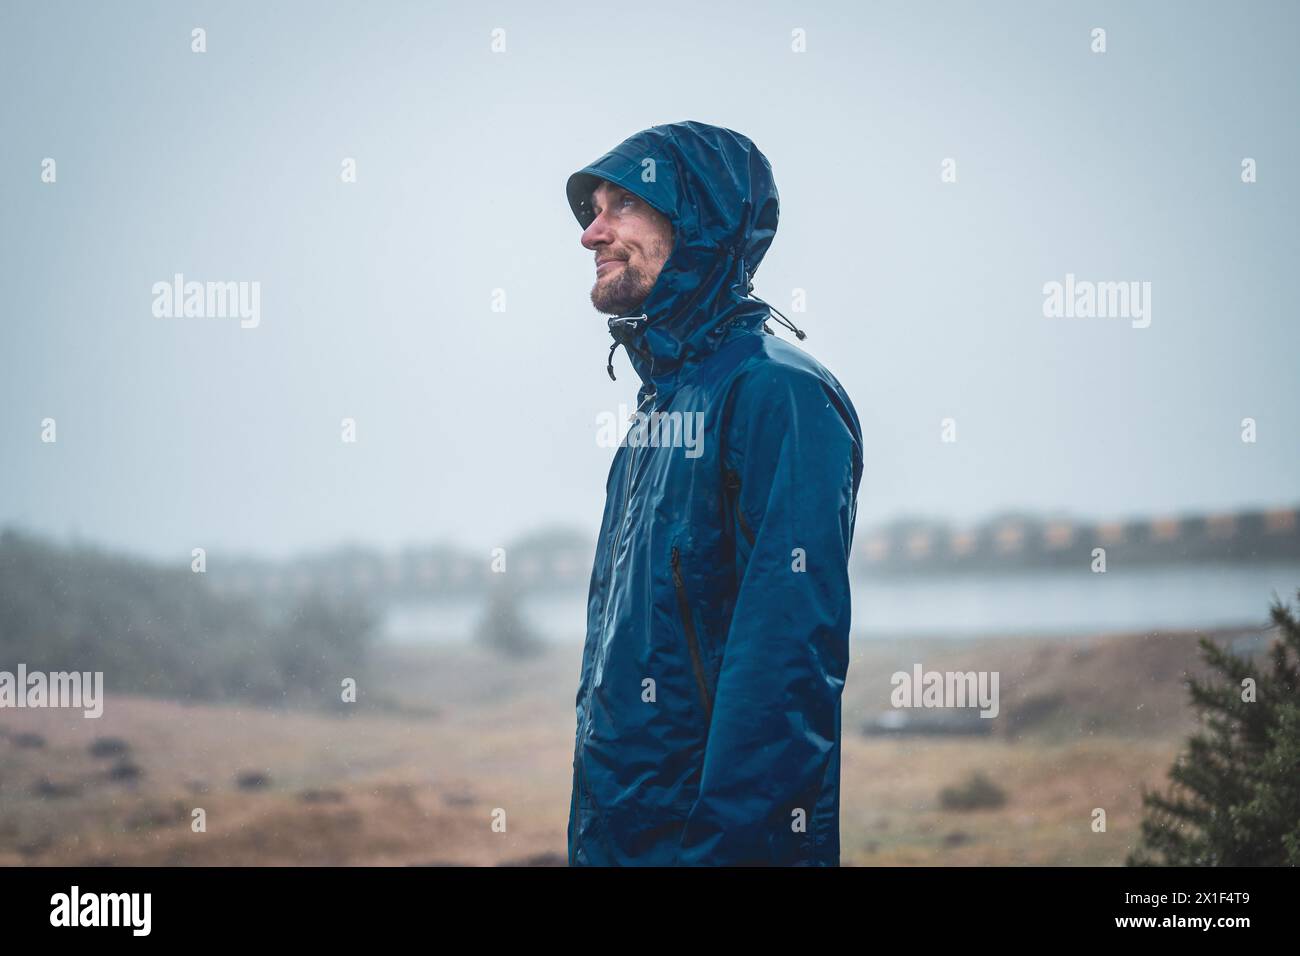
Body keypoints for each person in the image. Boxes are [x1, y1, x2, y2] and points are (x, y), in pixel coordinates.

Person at [565, 120, 864, 865]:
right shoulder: (656, 413)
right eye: (590, 209)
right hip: (623, 842)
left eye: (620, 206)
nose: (590, 234)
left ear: (696, 221)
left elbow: (784, 673)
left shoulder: (776, 395)